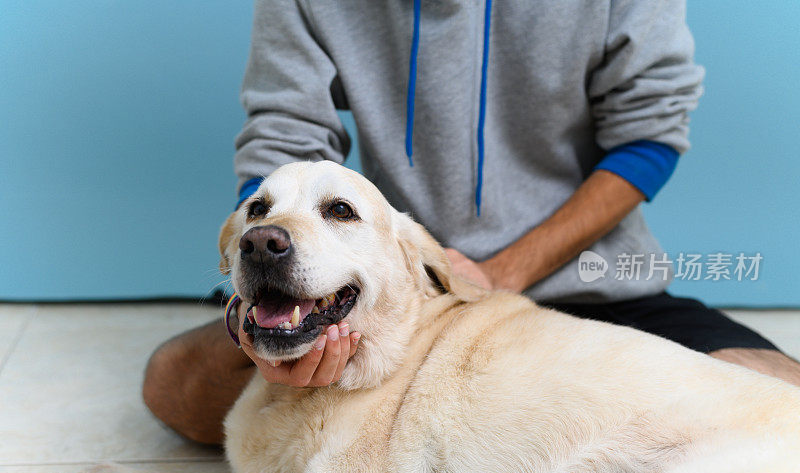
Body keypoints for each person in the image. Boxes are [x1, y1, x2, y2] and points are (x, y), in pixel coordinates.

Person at [143, 0, 800, 445]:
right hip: (395, 298)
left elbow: (649, 138)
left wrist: (496, 274)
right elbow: (281, 141)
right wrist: (265, 318)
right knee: (177, 386)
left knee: (779, 398)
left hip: (588, 285)